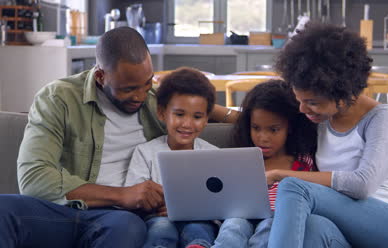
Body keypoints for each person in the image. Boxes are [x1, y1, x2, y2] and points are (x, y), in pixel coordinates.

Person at [0, 27, 232, 247]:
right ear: (101, 76)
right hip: (60, 212)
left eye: (147, 83)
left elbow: (195, 106)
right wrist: (122, 195)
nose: (140, 95)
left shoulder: (155, 101)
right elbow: (34, 179)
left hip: (116, 220)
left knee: (128, 226)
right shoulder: (58, 98)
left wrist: (230, 113)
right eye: (128, 89)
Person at [266, 23, 388, 248]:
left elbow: (362, 185)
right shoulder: (320, 118)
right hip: (350, 230)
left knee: (293, 187)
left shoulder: (382, 119)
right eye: (299, 100)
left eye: (312, 102)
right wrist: (214, 111)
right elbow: (265, 121)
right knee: (312, 227)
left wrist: (278, 175)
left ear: (344, 92)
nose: (303, 109)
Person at [213, 80, 317, 248]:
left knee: (269, 227)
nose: (263, 138)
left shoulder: (303, 162)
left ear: (289, 127)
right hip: (240, 215)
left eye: (273, 129)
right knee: (234, 226)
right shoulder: (239, 159)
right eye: (256, 128)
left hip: (277, 219)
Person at [125, 67, 219, 248]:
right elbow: (135, 197)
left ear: (206, 119)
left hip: (200, 219)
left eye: (197, 116)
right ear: (162, 113)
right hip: (158, 218)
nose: (187, 124)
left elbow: (222, 201)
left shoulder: (214, 155)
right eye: (179, 114)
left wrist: (187, 208)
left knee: (198, 229)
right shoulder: (145, 152)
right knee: (161, 228)